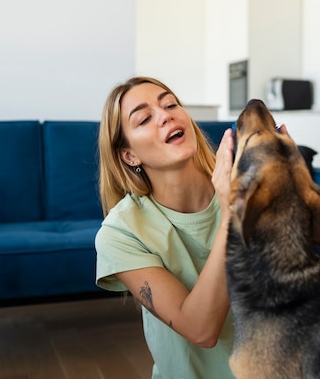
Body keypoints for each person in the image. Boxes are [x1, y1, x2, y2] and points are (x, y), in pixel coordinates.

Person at [94, 76, 236, 379]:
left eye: (171, 104)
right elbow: (200, 330)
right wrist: (233, 215)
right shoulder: (120, 233)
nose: (166, 115)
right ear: (129, 155)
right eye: (145, 118)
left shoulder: (244, 183)